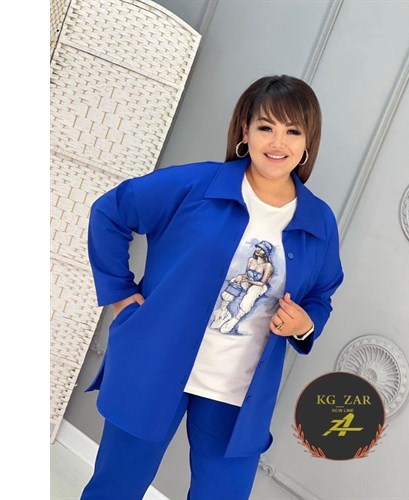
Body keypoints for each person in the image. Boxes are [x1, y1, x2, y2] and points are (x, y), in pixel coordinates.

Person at [81, 75, 344, 500]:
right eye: (266, 127)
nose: (278, 142)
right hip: (156, 366)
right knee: (116, 490)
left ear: (307, 141)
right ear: (245, 131)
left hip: (238, 394)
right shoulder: (195, 186)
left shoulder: (319, 220)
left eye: (293, 131)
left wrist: (304, 324)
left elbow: (322, 292)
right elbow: (110, 212)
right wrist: (120, 295)